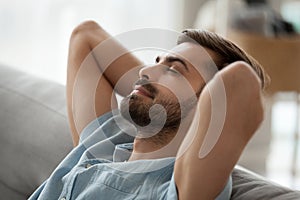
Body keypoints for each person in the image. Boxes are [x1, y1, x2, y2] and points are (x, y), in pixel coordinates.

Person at [29, 20, 268, 200]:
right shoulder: (107, 139)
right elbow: (86, 34)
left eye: (174, 70)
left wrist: (183, 107)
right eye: (157, 62)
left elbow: (240, 80)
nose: (144, 71)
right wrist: (155, 85)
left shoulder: (179, 187)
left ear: (208, 105)